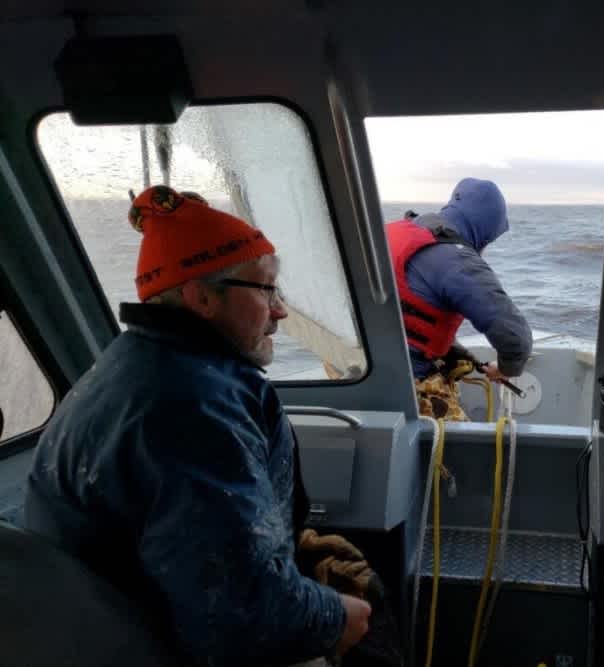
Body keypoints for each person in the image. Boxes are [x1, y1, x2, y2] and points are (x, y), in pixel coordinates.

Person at [24, 186, 372, 666]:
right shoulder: (192, 409)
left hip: (105, 621)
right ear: (201, 297)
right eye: (267, 289)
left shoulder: (136, 362)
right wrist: (334, 616)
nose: (281, 311)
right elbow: (241, 615)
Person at [386, 178, 533, 420]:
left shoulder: (392, 232)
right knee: (466, 453)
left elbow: (398, 316)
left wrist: (452, 349)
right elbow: (516, 340)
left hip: (355, 370)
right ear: (485, 232)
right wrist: (505, 369)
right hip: (403, 385)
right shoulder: (459, 261)